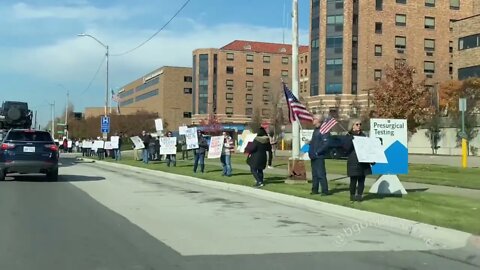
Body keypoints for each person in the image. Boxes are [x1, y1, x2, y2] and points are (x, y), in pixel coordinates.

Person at [344, 119, 371, 202]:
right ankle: (352, 196)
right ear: (352, 126)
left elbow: (368, 148)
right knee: (353, 180)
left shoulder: (364, 135)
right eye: (357, 124)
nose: (359, 126)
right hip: (354, 161)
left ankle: (359, 196)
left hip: (363, 161)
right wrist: (350, 140)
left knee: (362, 180)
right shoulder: (348, 135)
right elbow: (345, 149)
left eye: (360, 124)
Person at [308, 115, 331, 196]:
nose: (312, 120)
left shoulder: (323, 130)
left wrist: (318, 152)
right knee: (314, 174)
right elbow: (316, 141)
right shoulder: (315, 130)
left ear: (318, 120)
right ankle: (315, 189)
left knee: (321, 174)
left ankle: (325, 190)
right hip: (313, 155)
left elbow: (326, 143)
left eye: (314, 119)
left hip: (319, 156)